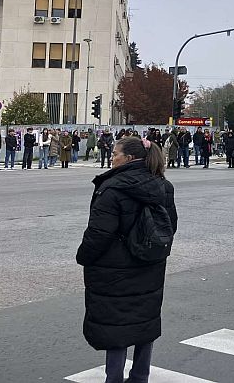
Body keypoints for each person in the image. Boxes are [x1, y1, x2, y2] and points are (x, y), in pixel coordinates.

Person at [76, 135, 177, 383]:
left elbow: (99, 233)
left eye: (115, 154)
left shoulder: (112, 188)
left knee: (117, 328)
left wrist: (83, 256)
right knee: (145, 322)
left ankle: (114, 379)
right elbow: (170, 225)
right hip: (150, 263)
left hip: (115, 269)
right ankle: (140, 376)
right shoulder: (162, 185)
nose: (111, 158)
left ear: (129, 158)